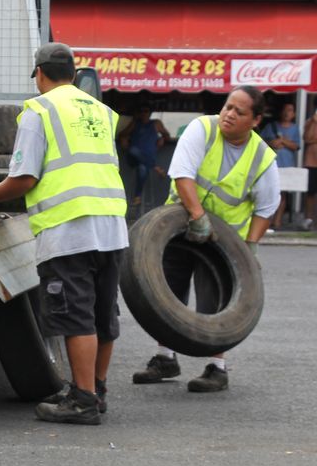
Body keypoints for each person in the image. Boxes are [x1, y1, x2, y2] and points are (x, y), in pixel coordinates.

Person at [0, 42, 128, 425]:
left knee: (76, 315)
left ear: (40, 73)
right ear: (73, 72)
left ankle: (82, 401)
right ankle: (96, 391)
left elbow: (23, 178)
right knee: (104, 314)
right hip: (111, 223)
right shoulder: (102, 111)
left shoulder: (39, 110)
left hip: (69, 227)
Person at [132, 86, 278, 393]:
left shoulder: (263, 157)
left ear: (256, 120)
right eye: (228, 107)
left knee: (217, 302)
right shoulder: (203, 129)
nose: (229, 115)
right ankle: (165, 358)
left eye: (239, 112)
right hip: (181, 224)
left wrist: (250, 248)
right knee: (168, 290)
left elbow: (266, 207)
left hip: (225, 241)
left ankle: (217, 368)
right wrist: (197, 217)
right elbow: (182, 174)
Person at [120, 103, 171, 208]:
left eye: (146, 111)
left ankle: (137, 197)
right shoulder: (135, 123)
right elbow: (122, 134)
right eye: (141, 111)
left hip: (147, 157)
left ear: (150, 113)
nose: (143, 113)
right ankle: (155, 167)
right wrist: (123, 140)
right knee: (133, 150)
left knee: (143, 169)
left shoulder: (156, 123)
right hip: (134, 157)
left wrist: (163, 139)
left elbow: (167, 136)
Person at [262, 101, 299, 229]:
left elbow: (296, 146)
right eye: (285, 110)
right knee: (269, 193)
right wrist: (273, 143)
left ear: (293, 114)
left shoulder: (295, 128)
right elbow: (260, 142)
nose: (286, 113)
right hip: (271, 165)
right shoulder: (271, 126)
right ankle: (267, 222)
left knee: (283, 194)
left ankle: (277, 222)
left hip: (287, 165)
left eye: (290, 110)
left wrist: (283, 141)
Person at [304, 105, 317, 227]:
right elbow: (308, 138)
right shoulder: (310, 122)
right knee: (310, 192)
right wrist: (314, 121)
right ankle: (308, 218)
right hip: (311, 162)